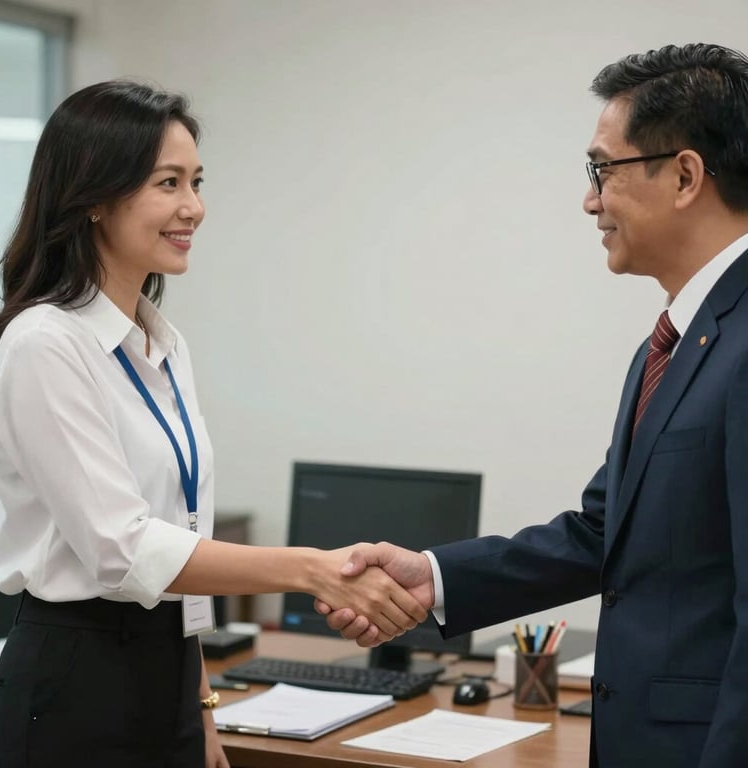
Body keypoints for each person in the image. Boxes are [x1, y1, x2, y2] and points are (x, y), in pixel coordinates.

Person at [319, 43, 748, 768]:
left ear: (684, 176)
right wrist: (436, 579)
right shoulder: (676, 343)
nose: (589, 199)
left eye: (600, 170)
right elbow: (600, 534)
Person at [0, 80, 427, 768]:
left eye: (196, 180)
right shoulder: (46, 343)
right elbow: (123, 551)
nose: (194, 207)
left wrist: (200, 708)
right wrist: (311, 570)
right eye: (167, 183)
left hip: (167, 681)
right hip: (73, 685)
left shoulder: (163, 343)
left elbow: (182, 537)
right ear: (96, 196)